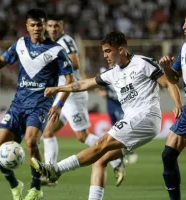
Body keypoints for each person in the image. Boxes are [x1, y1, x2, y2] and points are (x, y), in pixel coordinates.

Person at [31, 31, 182, 200]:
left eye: (108, 51)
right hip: (132, 119)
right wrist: (59, 88)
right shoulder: (113, 72)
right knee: (100, 159)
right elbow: (84, 83)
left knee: (101, 144)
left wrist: (178, 104)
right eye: (104, 51)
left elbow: (168, 82)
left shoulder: (142, 63)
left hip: (145, 116)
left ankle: (56, 170)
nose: (105, 55)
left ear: (121, 50)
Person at [0, 9, 74, 200]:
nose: (37, 28)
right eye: (33, 25)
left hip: (40, 105)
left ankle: (36, 186)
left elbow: (70, 80)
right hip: (18, 105)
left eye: (40, 24)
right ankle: (15, 184)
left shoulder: (57, 50)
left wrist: (58, 105)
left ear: (44, 26)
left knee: (31, 141)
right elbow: (1, 62)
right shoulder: (20, 44)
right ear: (27, 26)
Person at [42, 15, 125, 187]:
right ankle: (50, 173)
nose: (53, 29)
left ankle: (116, 157)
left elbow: (75, 63)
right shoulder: (50, 43)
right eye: (50, 25)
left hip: (73, 95)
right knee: (47, 132)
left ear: (62, 27)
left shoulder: (66, 40)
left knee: (82, 136)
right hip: (63, 94)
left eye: (56, 25)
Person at [159, 5, 186, 200]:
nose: (184, 26)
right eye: (184, 21)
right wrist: (166, 68)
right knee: (167, 155)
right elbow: (174, 79)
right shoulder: (184, 48)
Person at [96, 64, 139, 164]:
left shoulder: (124, 71)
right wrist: (100, 90)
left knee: (122, 130)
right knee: (115, 129)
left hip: (121, 105)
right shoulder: (104, 70)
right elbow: (97, 82)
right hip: (110, 104)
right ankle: (120, 152)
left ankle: (131, 151)